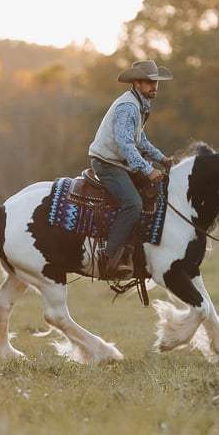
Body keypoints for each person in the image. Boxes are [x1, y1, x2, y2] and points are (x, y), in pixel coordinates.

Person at [88, 60, 173, 280]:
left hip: (119, 162)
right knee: (133, 204)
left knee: (154, 193)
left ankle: (136, 251)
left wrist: (161, 158)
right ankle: (108, 256)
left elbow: (140, 139)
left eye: (156, 82)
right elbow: (125, 144)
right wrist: (147, 169)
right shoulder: (128, 107)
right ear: (136, 83)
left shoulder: (140, 103)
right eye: (149, 82)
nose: (154, 86)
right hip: (108, 163)